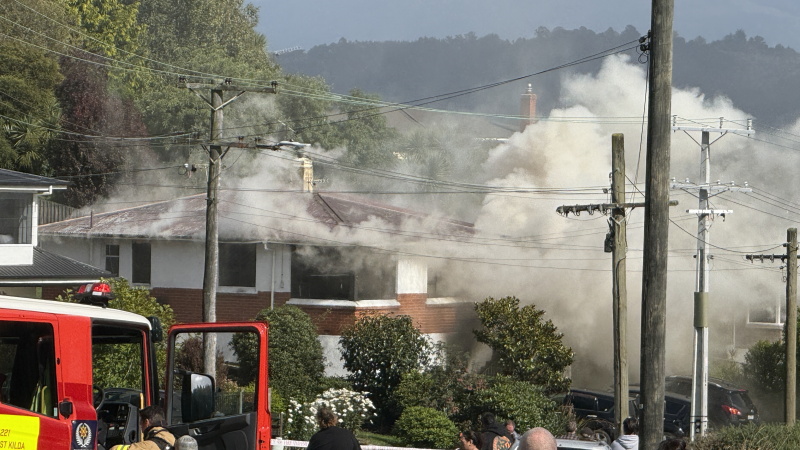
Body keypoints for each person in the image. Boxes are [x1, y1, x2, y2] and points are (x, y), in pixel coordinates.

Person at [110, 405, 175, 450]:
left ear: (146, 422)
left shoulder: (149, 446)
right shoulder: (172, 438)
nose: (140, 426)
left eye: (141, 423)